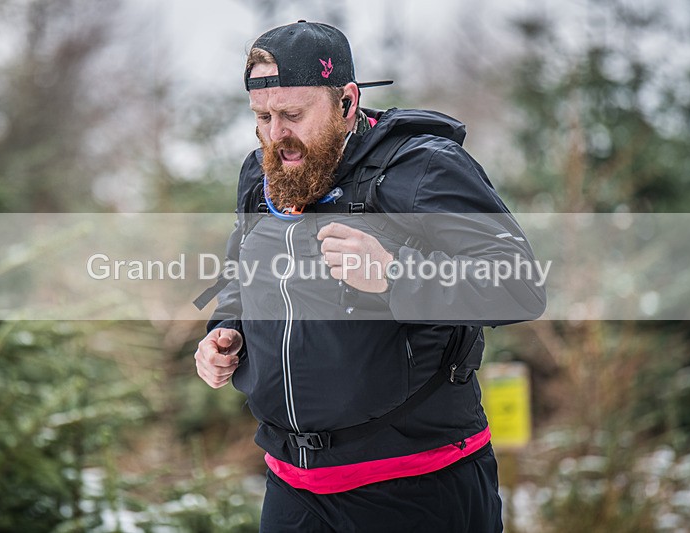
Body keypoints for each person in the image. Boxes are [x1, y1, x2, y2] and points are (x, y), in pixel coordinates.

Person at [193, 20, 546, 532]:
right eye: (263, 115)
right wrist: (226, 332)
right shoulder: (260, 174)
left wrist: (395, 274)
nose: (276, 135)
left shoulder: (423, 169)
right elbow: (241, 274)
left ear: (347, 102)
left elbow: (520, 287)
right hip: (293, 488)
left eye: (292, 114)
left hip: (419, 485)